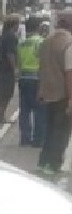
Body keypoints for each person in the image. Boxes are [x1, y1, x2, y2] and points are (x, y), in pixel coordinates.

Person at [37, 10, 72, 174]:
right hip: (63, 95)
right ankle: (53, 164)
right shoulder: (69, 44)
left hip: (47, 93)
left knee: (50, 129)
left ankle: (43, 162)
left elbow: (42, 67)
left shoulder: (46, 41)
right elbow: (69, 74)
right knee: (62, 131)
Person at [17, 16, 46, 147]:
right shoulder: (40, 42)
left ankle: (25, 138)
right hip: (37, 80)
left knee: (25, 110)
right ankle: (38, 139)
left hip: (23, 79)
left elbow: (19, 62)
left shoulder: (21, 43)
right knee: (39, 110)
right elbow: (44, 61)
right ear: (38, 27)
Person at [0, 14, 21, 123]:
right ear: (14, 25)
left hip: (0, 67)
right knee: (7, 92)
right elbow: (10, 54)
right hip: (6, 68)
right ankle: (1, 115)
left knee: (2, 91)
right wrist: (15, 69)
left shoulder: (4, 35)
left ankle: (0, 115)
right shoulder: (11, 37)